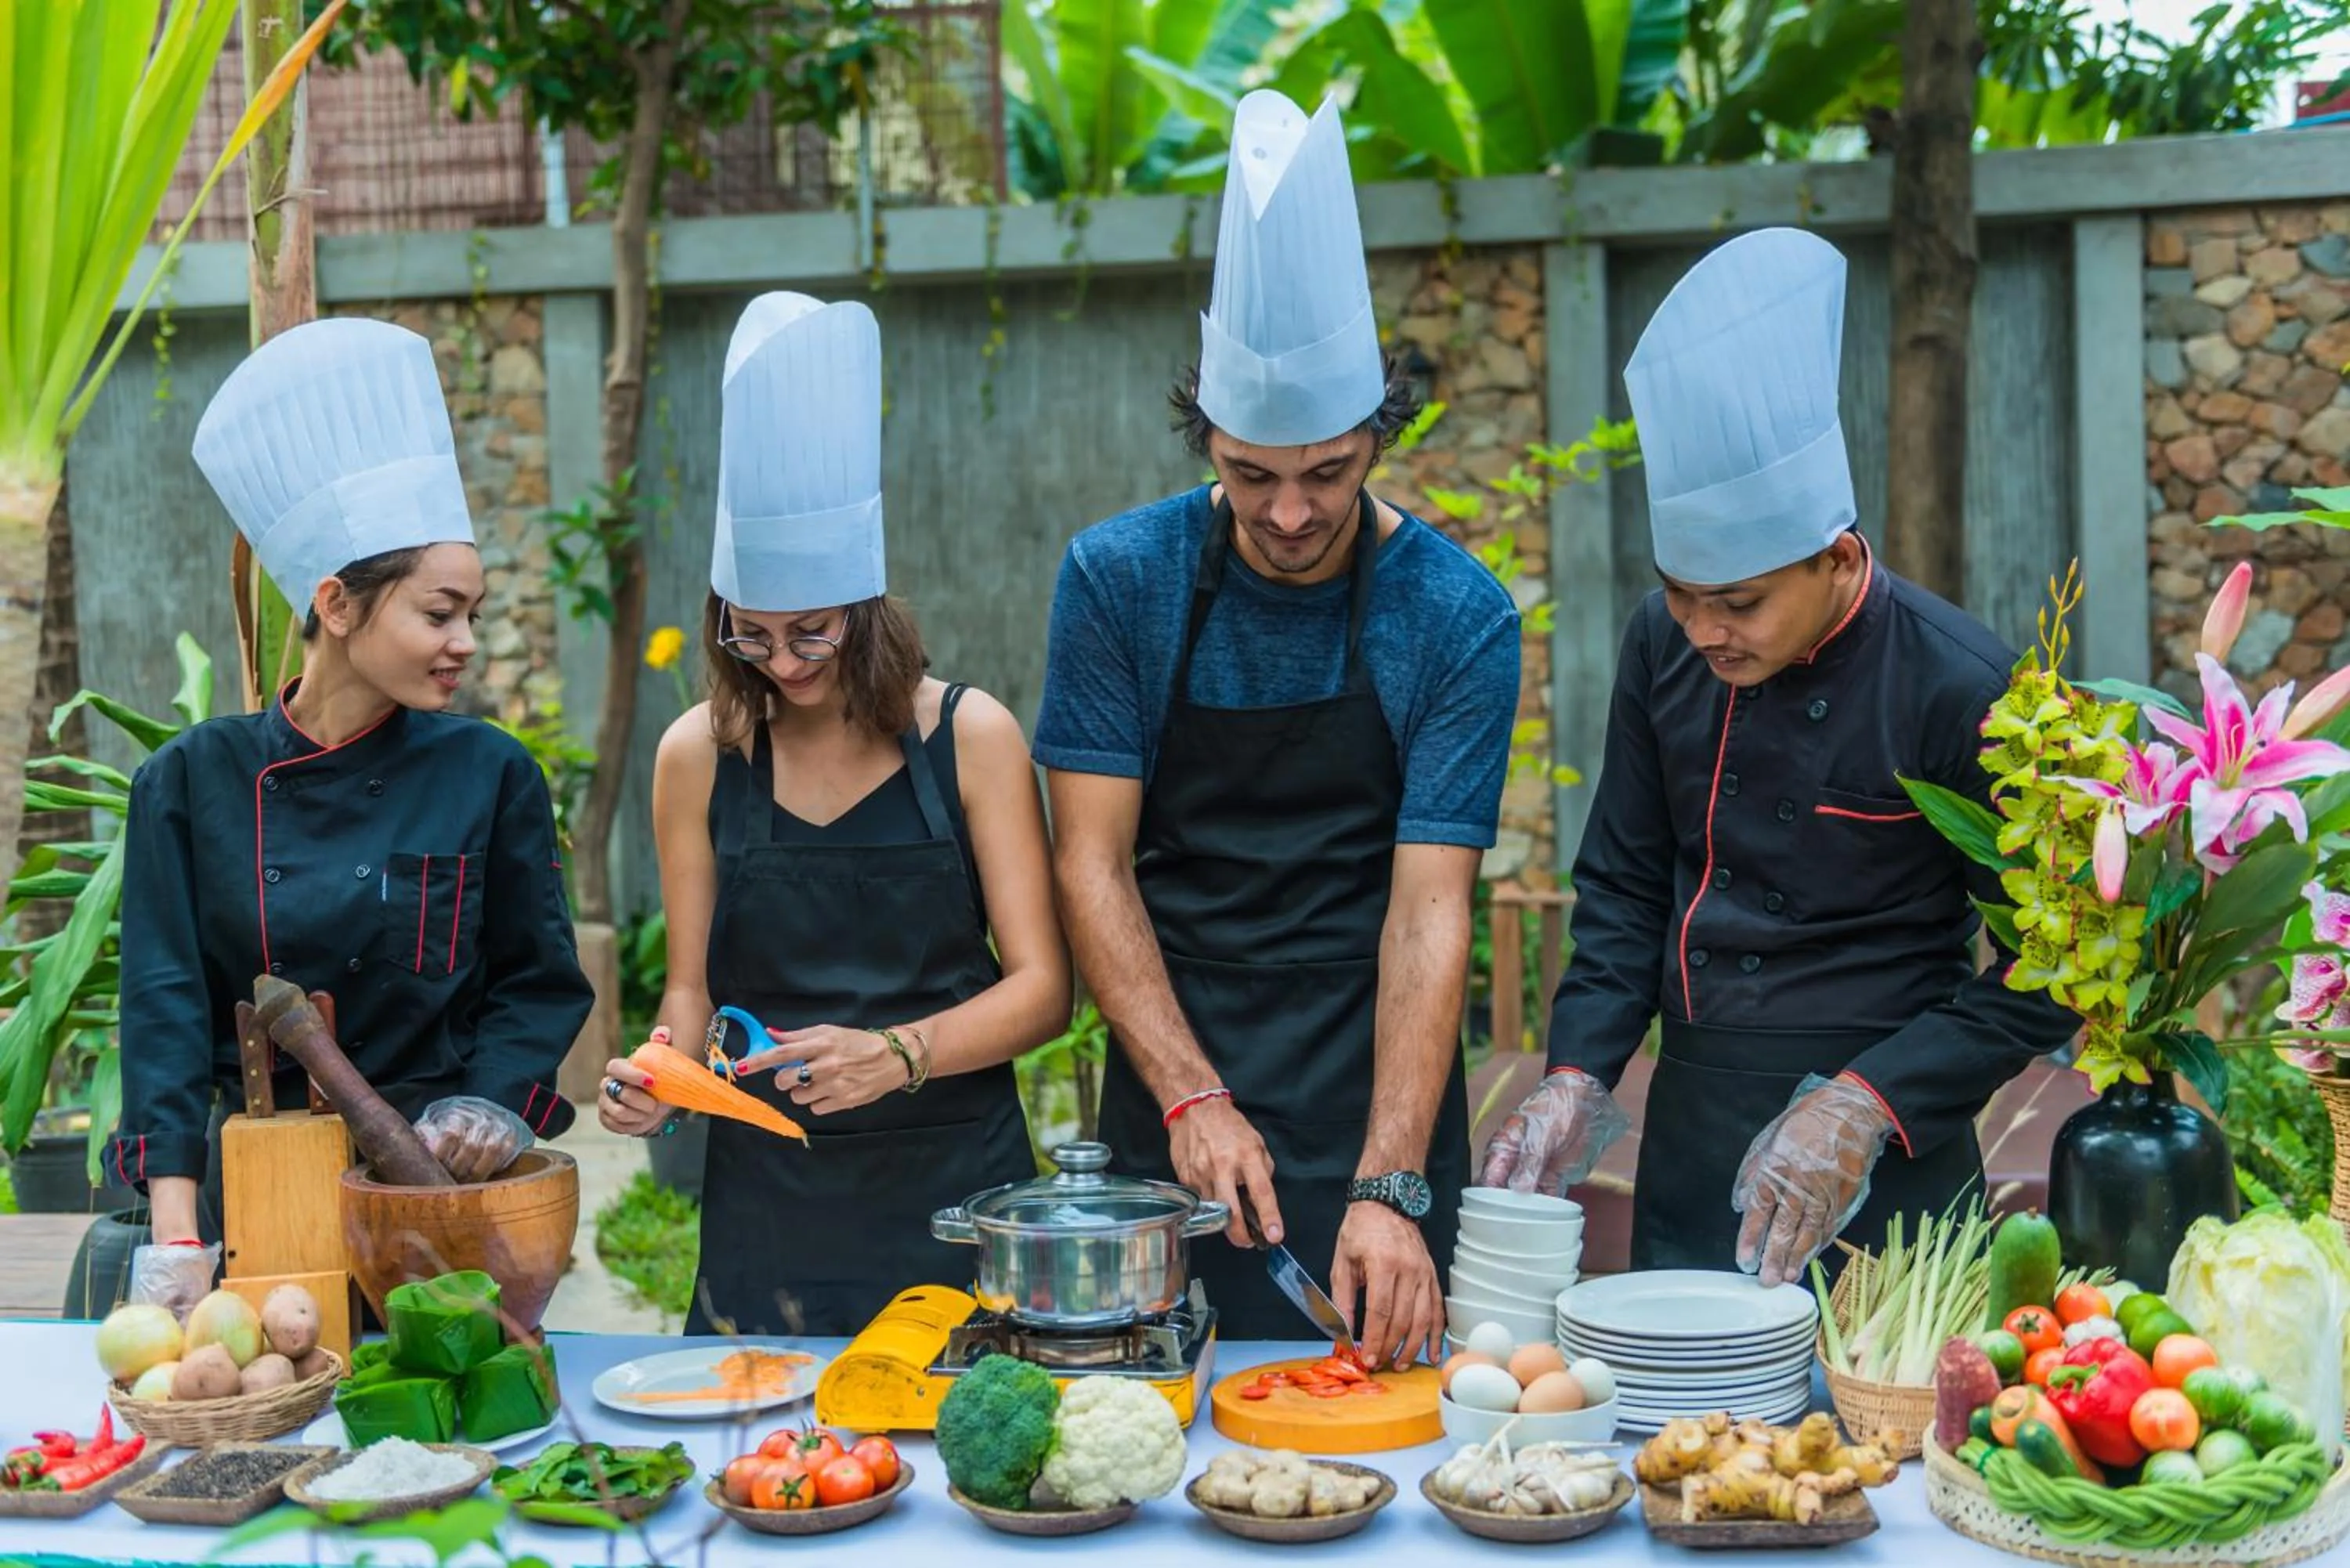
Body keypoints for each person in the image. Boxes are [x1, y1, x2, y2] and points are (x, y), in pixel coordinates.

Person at [1477, 229, 2081, 1286]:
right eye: (1682, 590)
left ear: (1838, 556)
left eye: (1741, 601)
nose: (1705, 630)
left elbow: (2055, 964)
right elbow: (1623, 883)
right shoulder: (1658, 644)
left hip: (1888, 1144)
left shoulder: (1964, 686)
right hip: (1695, 1130)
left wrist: (1866, 1099)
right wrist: (1575, 1070)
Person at [1036, 90, 1520, 1368]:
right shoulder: (1118, 578)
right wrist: (1189, 1091)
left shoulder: (1458, 614)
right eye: (1252, 474)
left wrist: (1392, 1185)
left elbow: (1429, 911)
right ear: (1208, 434)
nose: (1292, 513)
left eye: (1327, 473)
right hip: (1172, 1061)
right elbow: (1090, 860)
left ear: (1377, 433)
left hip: (1379, 1069)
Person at [595, 292, 1068, 1337]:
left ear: (866, 605)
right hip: (770, 1206)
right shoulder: (698, 756)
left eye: (811, 633)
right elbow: (691, 988)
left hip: (957, 1193)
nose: (785, 664)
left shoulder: (971, 738)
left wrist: (896, 1051)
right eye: (750, 636)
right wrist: (657, 1075)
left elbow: (1043, 992)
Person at [114, 317, 595, 1313]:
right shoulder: (187, 782)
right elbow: (164, 1015)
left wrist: (490, 1109)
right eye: (438, 612)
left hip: (438, 1194)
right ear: (336, 605)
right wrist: (173, 1232)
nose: (465, 639)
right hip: (255, 1191)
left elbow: (540, 984)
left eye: (472, 611)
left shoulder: (490, 773)